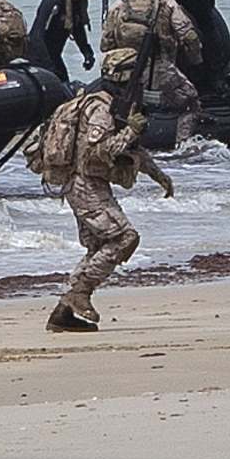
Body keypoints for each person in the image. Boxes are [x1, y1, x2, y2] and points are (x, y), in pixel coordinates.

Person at [44, 48, 174, 332]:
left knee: (99, 247)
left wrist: (159, 176)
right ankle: (79, 294)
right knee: (124, 238)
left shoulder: (115, 105)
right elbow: (98, 152)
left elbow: (132, 151)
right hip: (84, 183)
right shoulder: (101, 108)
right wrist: (131, 130)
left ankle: (63, 312)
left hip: (87, 183)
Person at [100, 0, 203, 145]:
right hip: (159, 71)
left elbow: (105, 45)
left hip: (123, 76)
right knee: (191, 102)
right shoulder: (167, 3)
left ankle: (120, 141)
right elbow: (189, 36)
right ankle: (183, 145)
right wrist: (196, 61)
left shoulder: (119, 5)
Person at [26, 0, 100, 81]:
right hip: (38, 59)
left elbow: (77, 30)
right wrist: (49, 68)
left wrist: (87, 53)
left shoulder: (78, 4)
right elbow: (36, 37)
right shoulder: (53, 2)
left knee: (67, 90)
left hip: (55, 58)